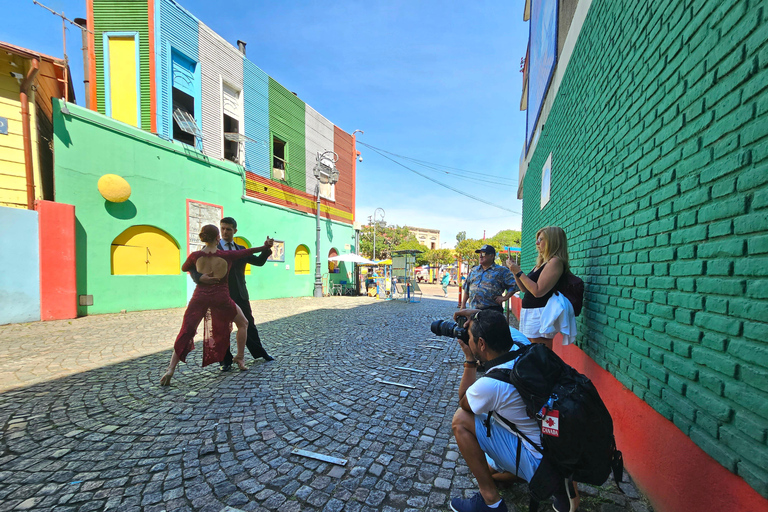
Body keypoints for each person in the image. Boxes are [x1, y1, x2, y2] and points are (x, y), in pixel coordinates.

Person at [448, 308, 544, 512]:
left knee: (461, 420)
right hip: (553, 447)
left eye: (471, 338)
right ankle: (517, 474)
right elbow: (498, 325)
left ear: (481, 344)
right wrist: (476, 316)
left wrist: (469, 359)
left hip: (539, 462)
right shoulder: (521, 342)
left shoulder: (492, 385)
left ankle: (491, 501)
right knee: (489, 469)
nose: (469, 340)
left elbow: (464, 402)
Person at [160, 225, 274, 386]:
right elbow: (247, 252)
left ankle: (171, 369)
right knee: (244, 323)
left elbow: (185, 267)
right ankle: (240, 358)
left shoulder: (195, 255)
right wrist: (265, 246)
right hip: (221, 298)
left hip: (199, 297)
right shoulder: (226, 255)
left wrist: (200, 276)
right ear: (217, 238)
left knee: (186, 331)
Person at [190, 217, 274, 371]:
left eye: (228, 229)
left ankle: (260, 353)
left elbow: (258, 262)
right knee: (220, 328)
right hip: (220, 295)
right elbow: (194, 267)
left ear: (235, 231)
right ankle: (225, 361)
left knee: (249, 325)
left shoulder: (241, 248)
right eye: (222, 228)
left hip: (240, 294)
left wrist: (267, 249)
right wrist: (198, 278)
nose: (225, 232)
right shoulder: (210, 249)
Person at [506, 226, 568, 350]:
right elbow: (524, 288)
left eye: (541, 239)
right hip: (530, 312)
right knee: (530, 352)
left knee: (539, 354)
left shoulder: (555, 262)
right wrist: (514, 270)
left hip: (540, 314)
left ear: (553, 241)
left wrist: (518, 271)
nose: (537, 243)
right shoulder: (542, 263)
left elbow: (537, 291)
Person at [460, 245, 518, 313]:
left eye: (484, 254)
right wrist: (463, 305)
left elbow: (514, 285)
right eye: (480, 254)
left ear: (492, 256)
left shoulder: (502, 271)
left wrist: (505, 297)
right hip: (473, 311)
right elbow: (467, 289)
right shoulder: (474, 270)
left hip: (492, 312)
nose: (481, 256)